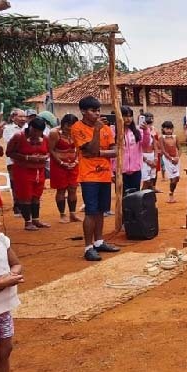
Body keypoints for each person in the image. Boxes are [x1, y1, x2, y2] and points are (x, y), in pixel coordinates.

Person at [0, 201, 37, 372]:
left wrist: (11, 275)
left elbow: (16, 264)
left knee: (5, 350)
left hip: (3, 307)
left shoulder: (2, 241)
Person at [71, 96, 120, 261]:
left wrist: (99, 153)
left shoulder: (106, 128)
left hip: (105, 174)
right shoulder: (77, 128)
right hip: (89, 176)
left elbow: (115, 151)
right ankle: (88, 247)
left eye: (98, 110)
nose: (97, 114)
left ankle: (99, 241)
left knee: (101, 211)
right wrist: (97, 131)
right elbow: (89, 150)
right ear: (83, 111)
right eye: (93, 111)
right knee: (91, 212)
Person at [6, 118, 49, 231]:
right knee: (26, 196)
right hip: (23, 171)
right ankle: (27, 222)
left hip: (39, 171)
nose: (36, 134)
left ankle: (36, 220)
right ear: (29, 127)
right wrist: (27, 157)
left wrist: (45, 157)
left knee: (36, 196)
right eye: (34, 130)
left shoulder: (45, 138)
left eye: (39, 132)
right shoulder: (19, 137)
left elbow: (48, 151)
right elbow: (9, 152)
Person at [48, 114, 81, 223]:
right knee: (61, 189)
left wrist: (76, 161)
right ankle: (62, 215)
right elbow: (51, 150)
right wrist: (61, 162)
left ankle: (72, 214)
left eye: (72, 125)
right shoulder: (54, 133)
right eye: (67, 125)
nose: (69, 128)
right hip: (59, 166)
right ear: (63, 124)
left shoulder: (77, 132)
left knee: (73, 189)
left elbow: (79, 149)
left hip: (73, 165)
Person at [118, 106, 150, 194]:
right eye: (125, 116)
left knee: (135, 196)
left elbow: (145, 145)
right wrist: (112, 172)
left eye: (130, 116)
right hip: (120, 171)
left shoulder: (137, 131)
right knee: (122, 196)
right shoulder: (114, 131)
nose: (128, 119)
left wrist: (146, 131)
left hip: (136, 170)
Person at [1, 110, 25, 217]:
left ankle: (26, 205)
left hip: (27, 161)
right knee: (15, 184)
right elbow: (12, 143)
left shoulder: (28, 127)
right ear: (13, 118)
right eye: (20, 116)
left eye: (24, 116)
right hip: (13, 161)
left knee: (25, 183)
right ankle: (17, 207)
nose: (23, 119)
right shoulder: (8, 129)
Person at [159, 122, 180, 203]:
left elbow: (179, 148)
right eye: (167, 128)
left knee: (177, 178)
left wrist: (178, 157)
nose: (169, 130)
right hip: (168, 160)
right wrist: (171, 159)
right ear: (163, 129)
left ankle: (172, 192)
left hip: (176, 159)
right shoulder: (162, 138)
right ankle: (171, 194)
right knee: (173, 178)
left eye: (170, 129)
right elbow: (163, 151)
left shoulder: (175, 137)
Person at [140, 113, 160, 192]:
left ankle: (149, 201)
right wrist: (146, 160)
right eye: (148, 118)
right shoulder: (139, 130)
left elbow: (155, 145)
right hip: (143, 157)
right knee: (146, 180)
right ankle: (139, 198)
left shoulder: (152, 130)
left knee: (152, 179)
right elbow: (138, 148)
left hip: (152, 155)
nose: (150, 120)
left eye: (152, 118)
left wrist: (155, 158)